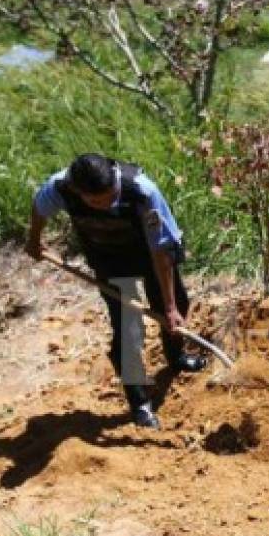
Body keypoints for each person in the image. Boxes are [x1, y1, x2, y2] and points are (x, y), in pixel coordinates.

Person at [25, 154, 207, 429]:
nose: (106, 205)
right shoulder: (61, 187)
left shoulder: (142, 191)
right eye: (96, 202)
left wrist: (169, 307)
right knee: (128, 331)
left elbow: (161, 249)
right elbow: (40, 209)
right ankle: (139, 402)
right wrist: (34, 241)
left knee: (176, 307)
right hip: (109, 258)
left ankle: (176, 357)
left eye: (110, 197)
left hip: (149, 254)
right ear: (78, 191)